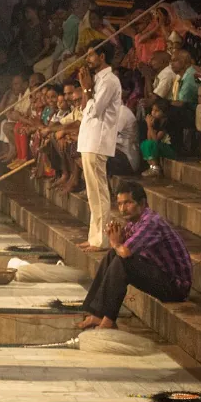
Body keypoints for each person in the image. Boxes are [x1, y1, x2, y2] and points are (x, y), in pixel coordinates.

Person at [77, 181, 191, 330]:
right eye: (119, 204)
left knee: (122, 261)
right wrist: (116, 236)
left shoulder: (150, 222)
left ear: (142, 203)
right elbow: (124, 245)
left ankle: (109, 320)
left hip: (175, 287)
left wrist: (116, 243)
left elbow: (126, 252)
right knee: (113, 255)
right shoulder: (134, 221)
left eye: (128, 203)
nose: (123, 209)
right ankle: (97, 314)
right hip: (159, 274)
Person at [77, 42, 122, 251]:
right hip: (89, 140)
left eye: (91, 55)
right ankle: (93, 236)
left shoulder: (110, 81)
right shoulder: (97, 80)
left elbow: (95, 110)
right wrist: (86, 87)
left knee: (100, 193)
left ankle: (102, 240)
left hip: (98, 141)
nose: (88, 59)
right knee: (92, 192)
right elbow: (85, 107)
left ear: (102, 56)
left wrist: (86, 88)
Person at [141, 98, 175, 177]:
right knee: (144, 144)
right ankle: (152, 167)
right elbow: (149, 139)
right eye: (152, 110)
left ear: (163, 112)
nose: (153, 113)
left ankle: (156, 168)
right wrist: (149, 126)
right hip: (161, 146)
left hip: (171, 149)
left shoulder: (166, 122)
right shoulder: (156, 122)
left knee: (150, 144)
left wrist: (149, 126)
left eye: (157, 111)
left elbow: (156, 140)